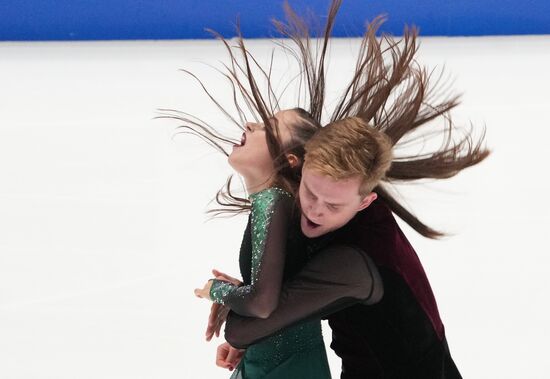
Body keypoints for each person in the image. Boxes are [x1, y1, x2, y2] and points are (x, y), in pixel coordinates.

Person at [195, 2, 490, 378]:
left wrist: (229, 298)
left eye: (331, 205)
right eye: (310, 193)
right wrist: (250, 297)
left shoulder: (353, 261)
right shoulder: (321, 205)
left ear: (367, 201)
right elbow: (276, 301)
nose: (315, 211)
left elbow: (243, 328)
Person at [191, 107, 333, 378]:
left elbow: (262, 303)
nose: (250, 124)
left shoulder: (274, 201)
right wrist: (241, 304)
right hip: (278, 361)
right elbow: (282, 290)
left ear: (288, 160)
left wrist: (216, 290)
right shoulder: (277, 203)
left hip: (284, 368)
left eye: (268, 127)